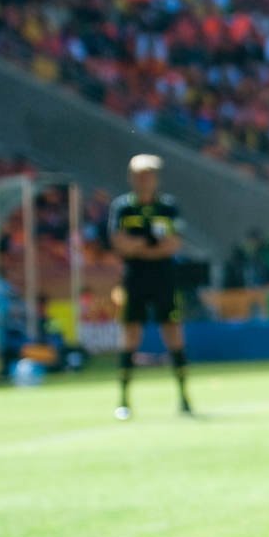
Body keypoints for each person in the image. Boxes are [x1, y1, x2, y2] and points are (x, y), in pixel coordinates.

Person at [106, 154, 190, 419]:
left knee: (173, 333)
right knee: (130, 335)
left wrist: (139, 246)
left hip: (164, 277)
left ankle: (184, 398)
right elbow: (120, 244)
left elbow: (174, 244)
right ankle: (124, 400)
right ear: (132, 177)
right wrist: (149, 246)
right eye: (141, 174)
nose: (146, 179)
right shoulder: (122, 208)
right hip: (135, 279)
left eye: (150, 174)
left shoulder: (168, 207)